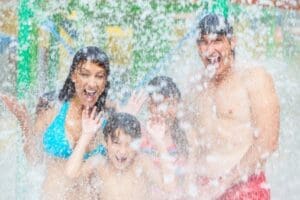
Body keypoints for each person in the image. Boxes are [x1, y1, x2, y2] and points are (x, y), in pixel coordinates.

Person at [185, 13, 280, 199]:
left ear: (232, 42)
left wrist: (224, 183)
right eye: (204, 42)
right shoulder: (195, 85)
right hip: (204, 187)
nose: (210, 50)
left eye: (217, 41)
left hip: (245, 187)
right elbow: (189, 140)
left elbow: (268, 141)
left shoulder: (254, 78)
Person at [0, 46, 111, 199]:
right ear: (73, 76)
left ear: (105, 81)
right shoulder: (52, 112)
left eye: (99, 76)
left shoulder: (106, 122)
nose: (92, 83)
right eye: (85, 74)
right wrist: (24, 121)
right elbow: (34, 159)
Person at [65, 111, 177, 200]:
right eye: (116, 143)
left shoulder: (141, 163)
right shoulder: (99, 163)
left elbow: (169, 186)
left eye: (129, 144)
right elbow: (71, 174)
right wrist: (86, 136)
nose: (122, 151)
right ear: (105, 142)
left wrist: (159, 142)